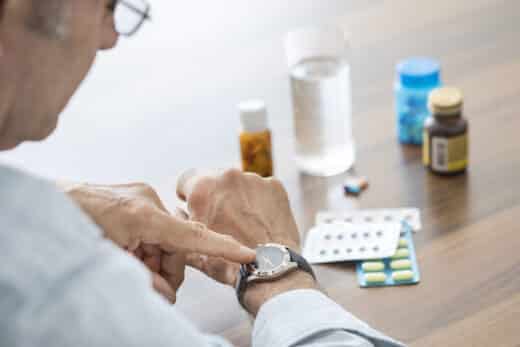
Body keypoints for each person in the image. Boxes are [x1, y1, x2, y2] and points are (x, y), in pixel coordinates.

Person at [0, 1, 405, 346]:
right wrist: (281, 281)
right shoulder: (47, 283)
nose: (109, 37)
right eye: (107, 4)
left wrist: (59, 207)